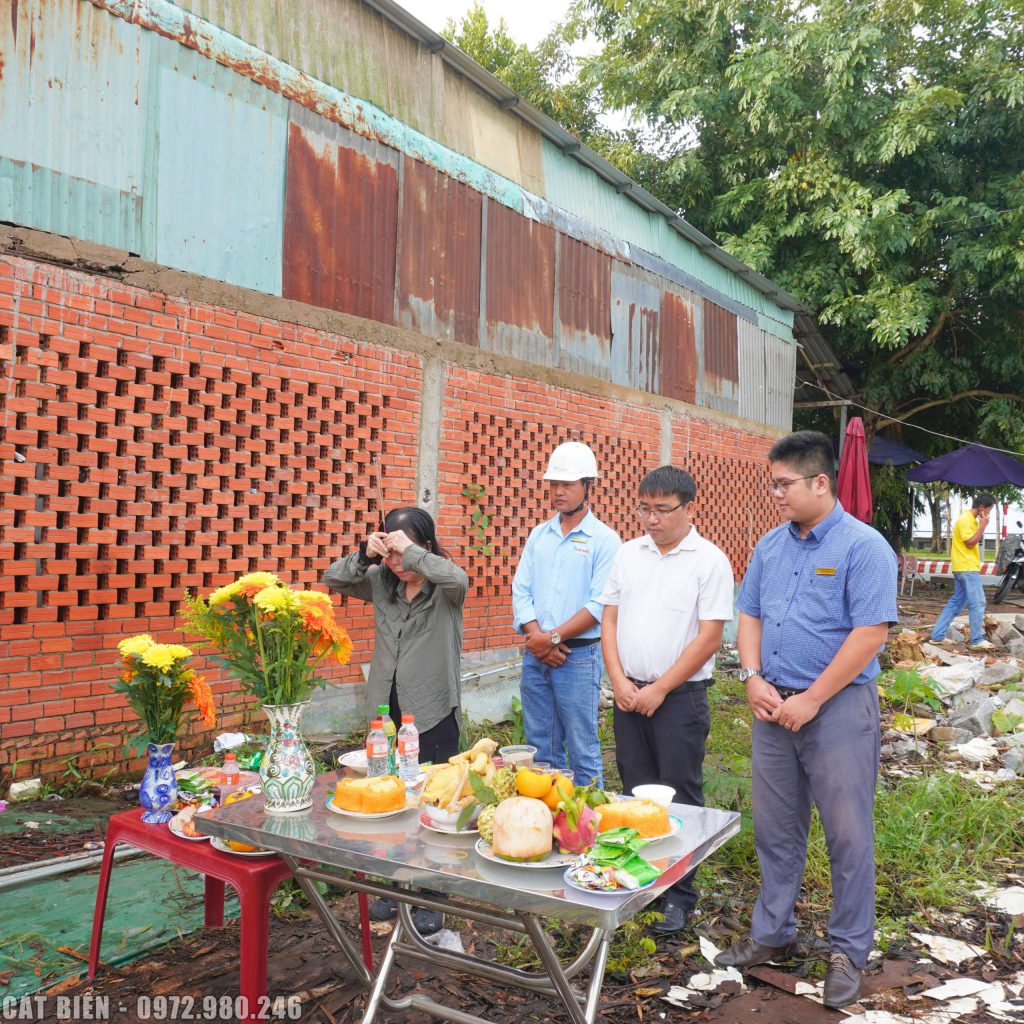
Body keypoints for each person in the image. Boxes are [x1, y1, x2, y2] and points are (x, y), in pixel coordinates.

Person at [716, 430, 897, 1010]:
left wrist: (813, 699)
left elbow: (869, 634)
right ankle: (772, 934)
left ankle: (848, 949)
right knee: (775, 829)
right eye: (773, 484)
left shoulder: (864, 548)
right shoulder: (771, 546)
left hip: (836, 710)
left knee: (847, 834)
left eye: (783, 484)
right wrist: (751, 677)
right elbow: (750, 614)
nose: (775, 494)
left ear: (821, 483)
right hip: (773, 707)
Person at [600, 466, 734, 934]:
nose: (651, 520)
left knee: (680, 795)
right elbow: (610, 621)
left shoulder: (709, 560)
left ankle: (679, 894)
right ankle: (639, 882)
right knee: (633, 791)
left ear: (689, 508)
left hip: (679, 699)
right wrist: (618, 679)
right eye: (644, 509)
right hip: (628, 691)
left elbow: (709, 636)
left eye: (662, 510)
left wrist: (661, 688)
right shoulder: (627, 553)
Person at [323, 506, 468, 933]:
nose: (397, 565)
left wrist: (412, 554)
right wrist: (367, 556)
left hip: (432, 709)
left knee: (435, 801)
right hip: (385, 711)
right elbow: (333, 578)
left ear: (425, 545)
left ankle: (432, 895)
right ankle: (394, 884)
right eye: (390, 555)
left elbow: (459, 578)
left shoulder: (444, 585)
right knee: (388, 797)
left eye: (403, 554)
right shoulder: (380, 581)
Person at [511, 441, 620, 787]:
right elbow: (521, 590)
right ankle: (551, 825)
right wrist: (538, 639)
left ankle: (590, 830)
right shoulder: (539, 536)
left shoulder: (604, 540)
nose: (558, 492)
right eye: (553, 484)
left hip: (578, 656)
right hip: (536, 652)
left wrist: (551, 639)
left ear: (589, 486)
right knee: (541, 750)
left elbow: (599, 604)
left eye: (567, 485)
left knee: (582, 749)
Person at [929, 494, 997, 650]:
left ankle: (937, 635)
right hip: (967, 567)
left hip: (962, 566)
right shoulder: (967, 520)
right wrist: (983, 526)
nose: (989, 514)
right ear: (981, 508)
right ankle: (977, 640)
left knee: (956, 603)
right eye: (989, 510)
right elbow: (970, 543)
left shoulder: (969, 519)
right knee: (978, 602)